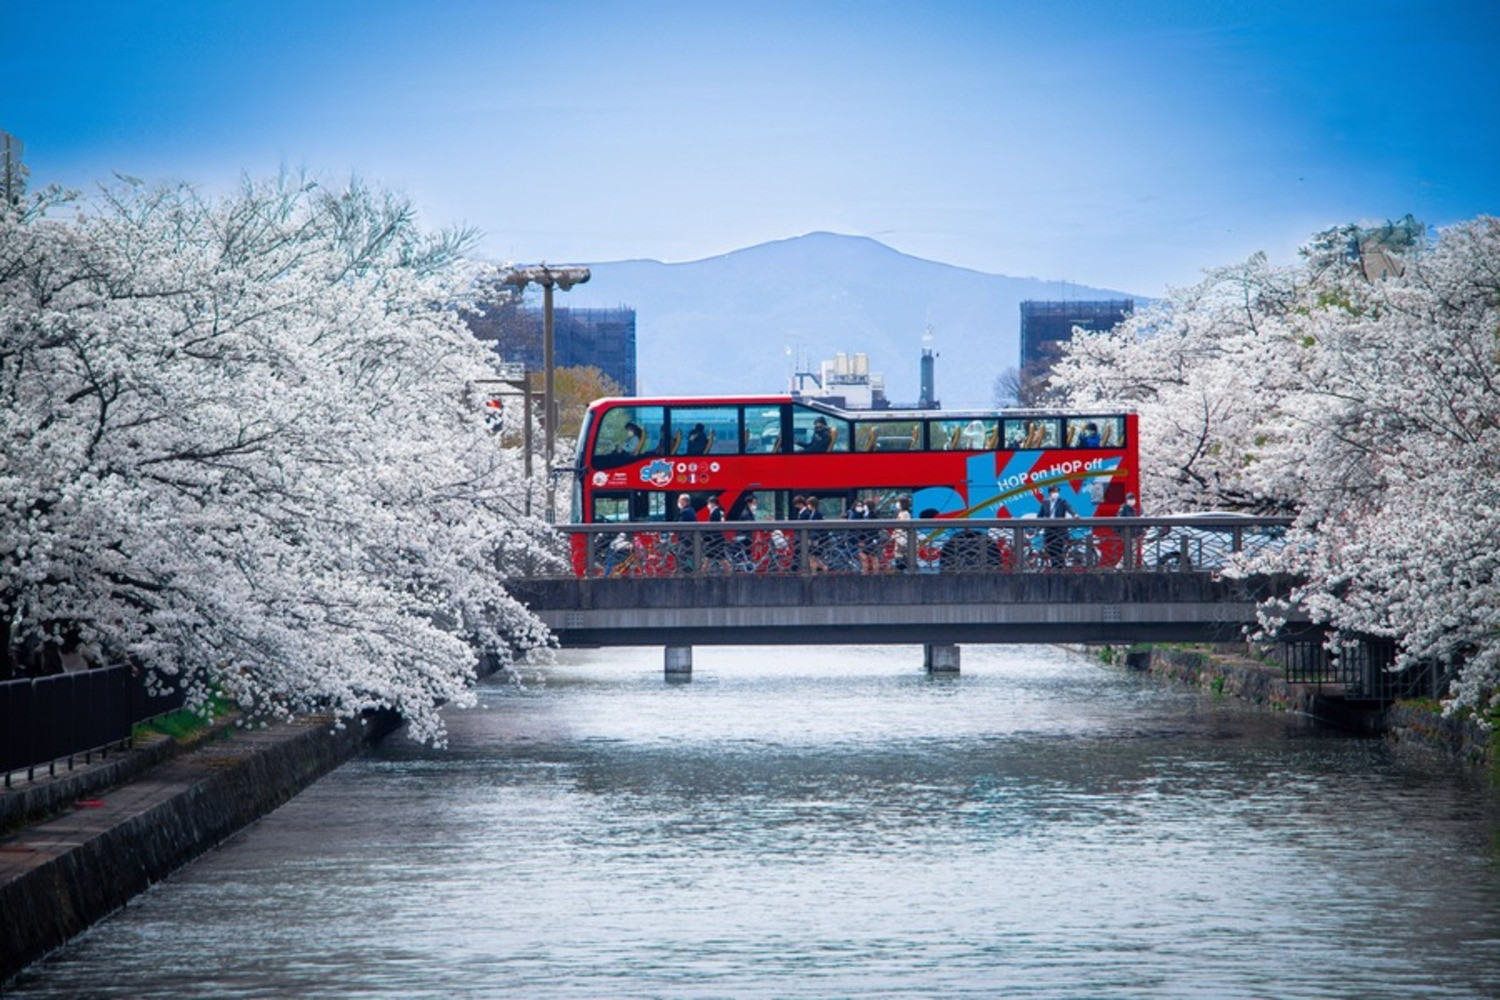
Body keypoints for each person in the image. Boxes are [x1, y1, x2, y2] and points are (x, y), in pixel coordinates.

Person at [1037, 485, 1076, 569]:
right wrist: (1037, 527)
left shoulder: (1062, 501)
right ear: (1050, 493)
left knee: (1058, 549)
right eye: (1054, 491)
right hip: (1049, 530)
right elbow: (1040, 515)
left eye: (1057, 491)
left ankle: (1058, 569)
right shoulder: (1045, 502)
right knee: (1050, 550)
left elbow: (1069, 508)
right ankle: (1056, 568)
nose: (1056, 493)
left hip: (1060, 530)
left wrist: (1074, 514)